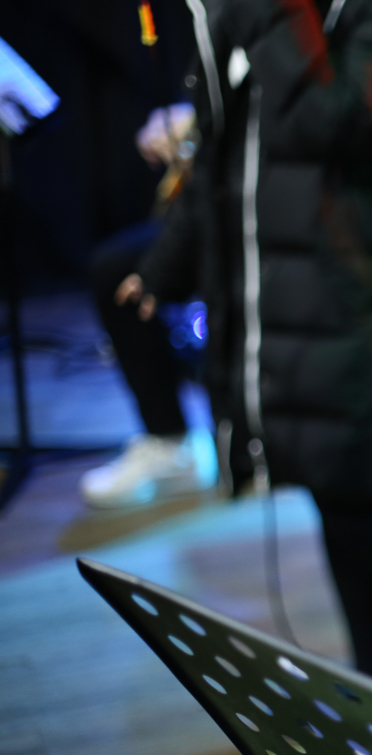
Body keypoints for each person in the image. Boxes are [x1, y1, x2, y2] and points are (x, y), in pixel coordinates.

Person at [118, 0, 372, 720]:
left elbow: (337, 119)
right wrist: (169, 261)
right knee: (334, 484)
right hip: (298, 296)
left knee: (354, 493)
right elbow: (225, 152)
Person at [81, 103, 218, 510]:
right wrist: (186, 121)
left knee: (124, 271)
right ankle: (170, 442)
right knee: (116, 271)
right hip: (220, 196)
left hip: (272, 199)